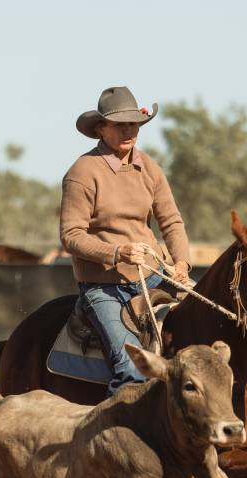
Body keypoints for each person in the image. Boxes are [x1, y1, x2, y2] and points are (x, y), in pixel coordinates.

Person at [60, 86, 193, 394]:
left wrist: (182, 263)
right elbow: (71, 236)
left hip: (154, 278)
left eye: (133, 124)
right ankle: (122, 436)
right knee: (133, 366)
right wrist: (118, 252)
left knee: (205, 334)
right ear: (100, 128)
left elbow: (171, 221)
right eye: (120, 124)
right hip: (103, 288)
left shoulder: (150, 168)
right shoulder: (83, 172)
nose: (128, 130)